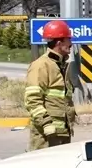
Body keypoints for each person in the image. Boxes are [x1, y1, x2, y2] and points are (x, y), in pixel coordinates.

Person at [23, 19, 76, 151]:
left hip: (62, 133)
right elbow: (32, 100)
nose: (71, 43)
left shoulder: (61, 65)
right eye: (68, 39)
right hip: (46, 135)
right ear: (59, 42)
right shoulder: (41, 66)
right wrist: (46, 124)